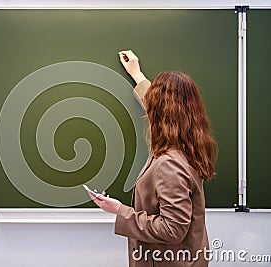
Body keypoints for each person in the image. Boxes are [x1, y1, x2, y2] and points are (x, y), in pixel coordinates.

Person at [87, 50, 217, 267]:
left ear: (162, 113)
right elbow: (154, 103)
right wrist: (137, 75)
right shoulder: (187, 145)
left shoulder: (170, 164)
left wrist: (119, 210)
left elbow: (172, 229)